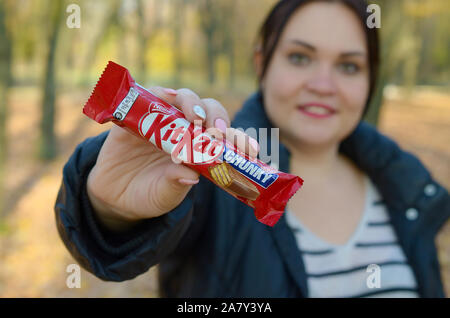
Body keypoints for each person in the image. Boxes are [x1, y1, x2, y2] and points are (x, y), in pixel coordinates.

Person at [55, 0, 449, 297]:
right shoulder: (208, 184)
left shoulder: (406, 189)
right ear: (263, 63)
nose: (323, 84)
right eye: (300, 57)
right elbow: (113, 253)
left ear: (370, 80)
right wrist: (110, 210)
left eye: (349, 66)